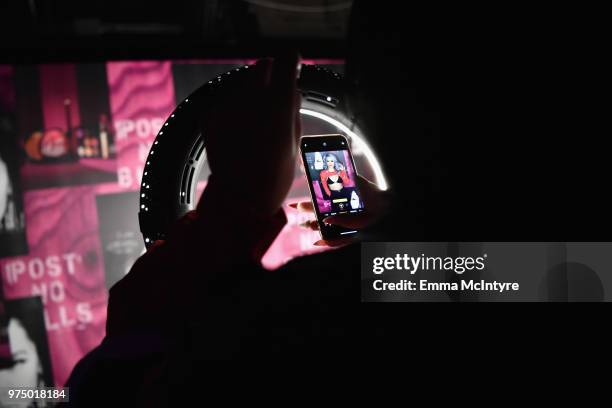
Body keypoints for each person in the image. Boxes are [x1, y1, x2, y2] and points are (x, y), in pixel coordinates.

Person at [64, 0, 608, 405]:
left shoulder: (298, 320)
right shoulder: (573, 270)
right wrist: (406, 219)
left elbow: (106, 388)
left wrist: (235, 207)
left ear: (374, 101)